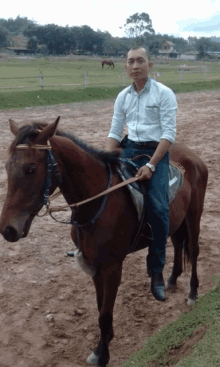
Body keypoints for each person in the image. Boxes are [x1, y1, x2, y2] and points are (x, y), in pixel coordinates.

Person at [107, 47, 177, 301]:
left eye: (140, 61)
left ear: (150, 64)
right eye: (130, 61)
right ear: (125, 66)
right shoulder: (123, 96)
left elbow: (168, 134)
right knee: (104, 190)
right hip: (129, 149)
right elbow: (115, 130)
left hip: (155, 152)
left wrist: (152, 165)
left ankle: (156, 270)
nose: (135, 65)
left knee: (158, 207)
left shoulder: (164, 94)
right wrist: (107, 158)